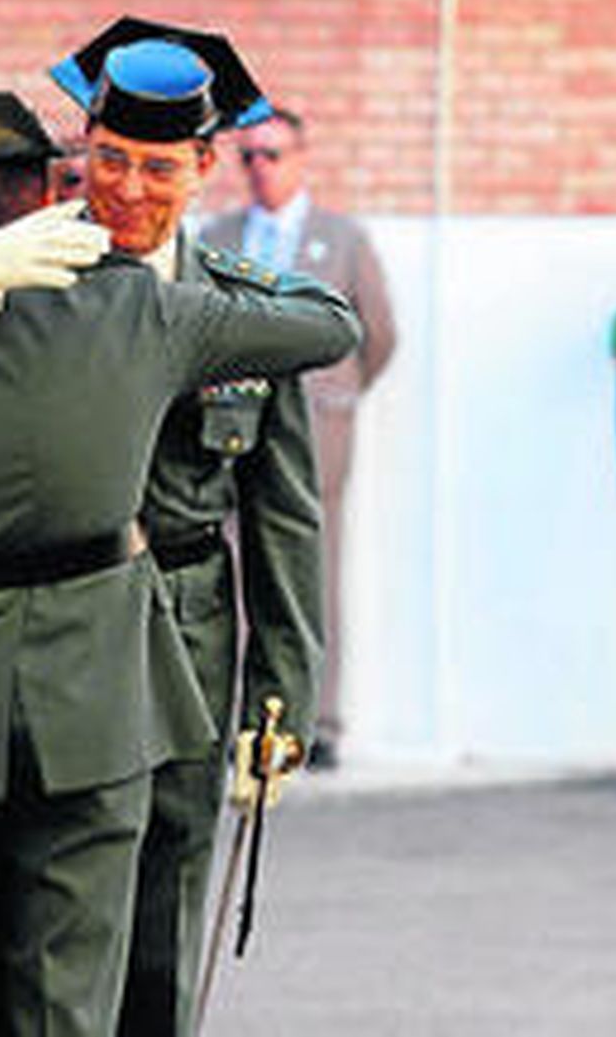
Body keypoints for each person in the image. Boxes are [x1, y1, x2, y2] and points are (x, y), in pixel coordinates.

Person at [0, 75, 358, 1034]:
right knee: (68, 992)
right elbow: (331, 325)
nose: (125, 187)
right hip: (102, 697)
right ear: (54, 184)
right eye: (105, 162)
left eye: (156, 167)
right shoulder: (142, 311)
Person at [204, 107, 397, 770]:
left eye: (273, 155)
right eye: (249, 157)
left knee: (314, 576)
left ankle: (319, 722)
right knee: (229, 573)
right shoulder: (219, 236)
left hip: (317, 431)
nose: (260, 169)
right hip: (232, 430)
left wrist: (339, 393)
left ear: (301, 158)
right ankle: (237, 719)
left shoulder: (342, 238)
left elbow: (378, 333)